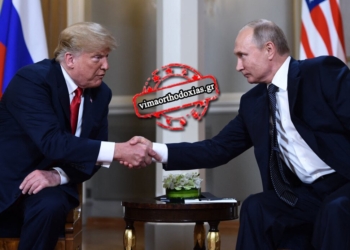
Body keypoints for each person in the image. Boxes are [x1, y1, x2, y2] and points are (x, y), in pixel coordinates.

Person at [126, 19, 350, 249]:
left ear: (269, 50)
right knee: (256, 207)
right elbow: (217, 149)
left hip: (344, 183)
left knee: (335, 209)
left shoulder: (320, 73)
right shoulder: (253, 103)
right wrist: (156, 150)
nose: (238, 66)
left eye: (243, 55)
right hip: (306, 194)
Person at [0, 22, 159, 250]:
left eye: (107, 57)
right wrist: (119, 150)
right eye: (97, 58)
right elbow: (53, 142)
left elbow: (94, 149)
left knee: (50, 206)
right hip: (10, 184)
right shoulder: (33, 81)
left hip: (51, 188)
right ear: (70, 59)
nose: (106, 66)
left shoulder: (101, 93)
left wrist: (59, 175)